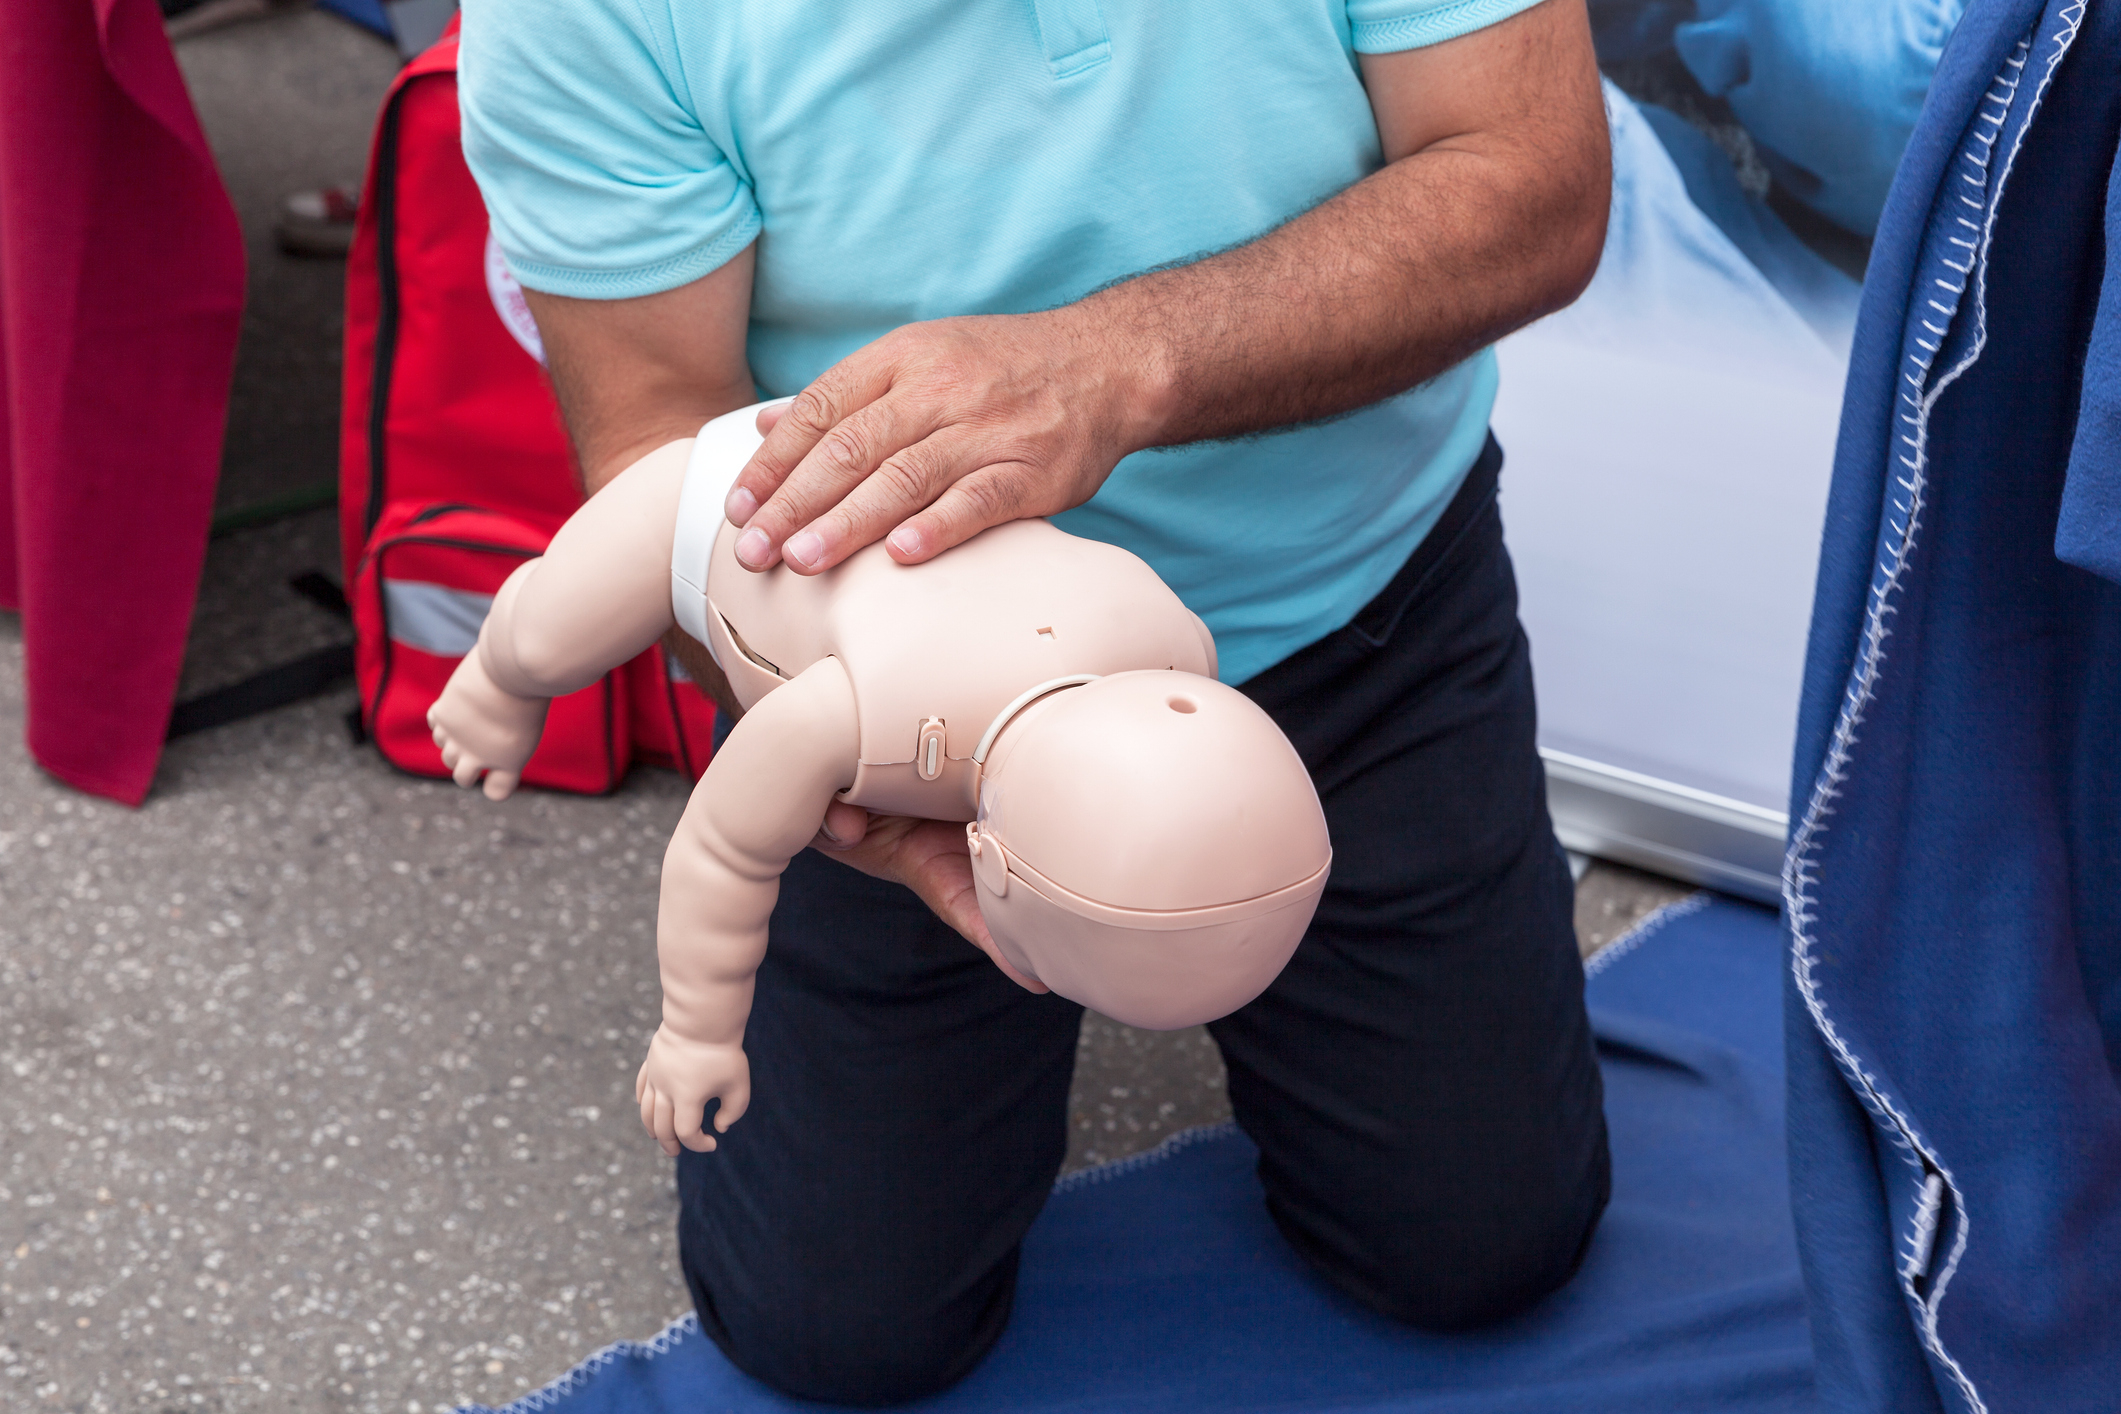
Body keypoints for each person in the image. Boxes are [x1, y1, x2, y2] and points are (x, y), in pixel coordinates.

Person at [457, 0, 1613, 1402]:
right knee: (841, 1340)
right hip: (899, 708)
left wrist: (1115, 367)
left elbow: (1534, 185)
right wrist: (854, 788)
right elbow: (660, 463)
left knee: (1480, 1253)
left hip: (1359, 608)